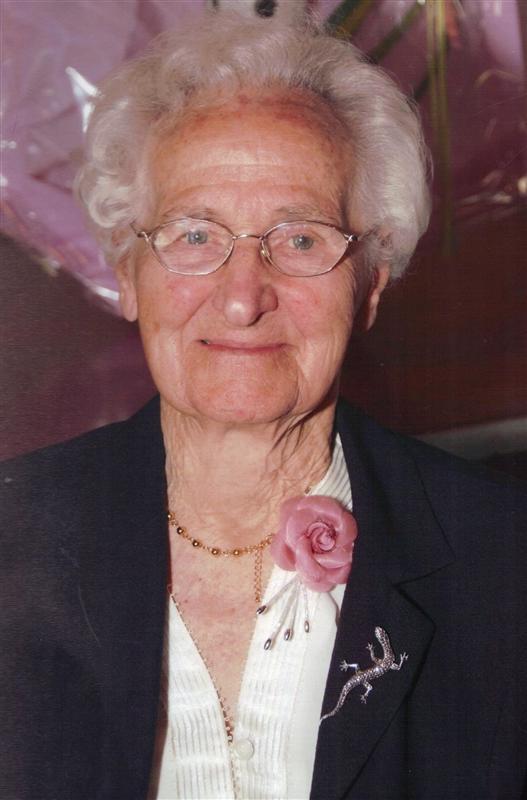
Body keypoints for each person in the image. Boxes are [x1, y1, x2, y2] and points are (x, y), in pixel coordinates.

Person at [1, 11, 526, 800]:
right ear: (129, 275)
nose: (243, 299)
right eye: (194, 236)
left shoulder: (505, 564)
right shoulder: (11, 539)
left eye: (301, 239)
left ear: (370, 285)